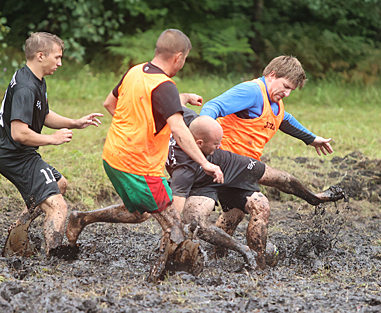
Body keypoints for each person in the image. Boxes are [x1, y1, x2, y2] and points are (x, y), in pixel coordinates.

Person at [68, 29, 223, 280]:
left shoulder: (135, 71)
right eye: (184, 60)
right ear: (178, 57)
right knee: (174, 226)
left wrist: (133, 129)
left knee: (140, 214)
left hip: (113, 157)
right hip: (138, 167)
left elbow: (110, 103)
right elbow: (181, 131)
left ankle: (81, 218)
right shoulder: (165, 85)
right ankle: (159, 281)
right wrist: (205, 163)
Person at [166, 107, 345, 269]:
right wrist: (169, 242)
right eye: (215, 144)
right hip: (201, 183)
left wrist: (188, 97)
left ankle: (313, 197)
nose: (219, 145)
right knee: (196, 225)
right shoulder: (184, 171)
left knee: (279, 178)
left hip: (228, 164)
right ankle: (242, 251)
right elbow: (175, 213)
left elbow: (174, 102)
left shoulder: (184, 120)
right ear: (198, 143)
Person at [0, 32, 103, 256]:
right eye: (57, 57)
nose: (60, 63)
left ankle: (17, 232)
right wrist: (53, 139)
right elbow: (19, 133)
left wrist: (75, 123)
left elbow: (42, 114)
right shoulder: (26, 87)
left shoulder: (35, 79)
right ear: (40, 56)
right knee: (58, 206)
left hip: (18, 153)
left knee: (60, 184)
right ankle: (52, 258)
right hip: (15, 156)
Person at [199, 55, 335, 238]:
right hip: (223, 160)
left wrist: (310, 138)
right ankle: (258, 263)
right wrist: (203, 135)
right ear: (272, 75)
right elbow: (212, 107)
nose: (287, 94)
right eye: (286, 87)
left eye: (291, 90)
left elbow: (284, 119)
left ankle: (217, 258)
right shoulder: (252, 91)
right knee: (261, 206)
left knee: (234, 214)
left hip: (242, 168)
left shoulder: (275, 103)